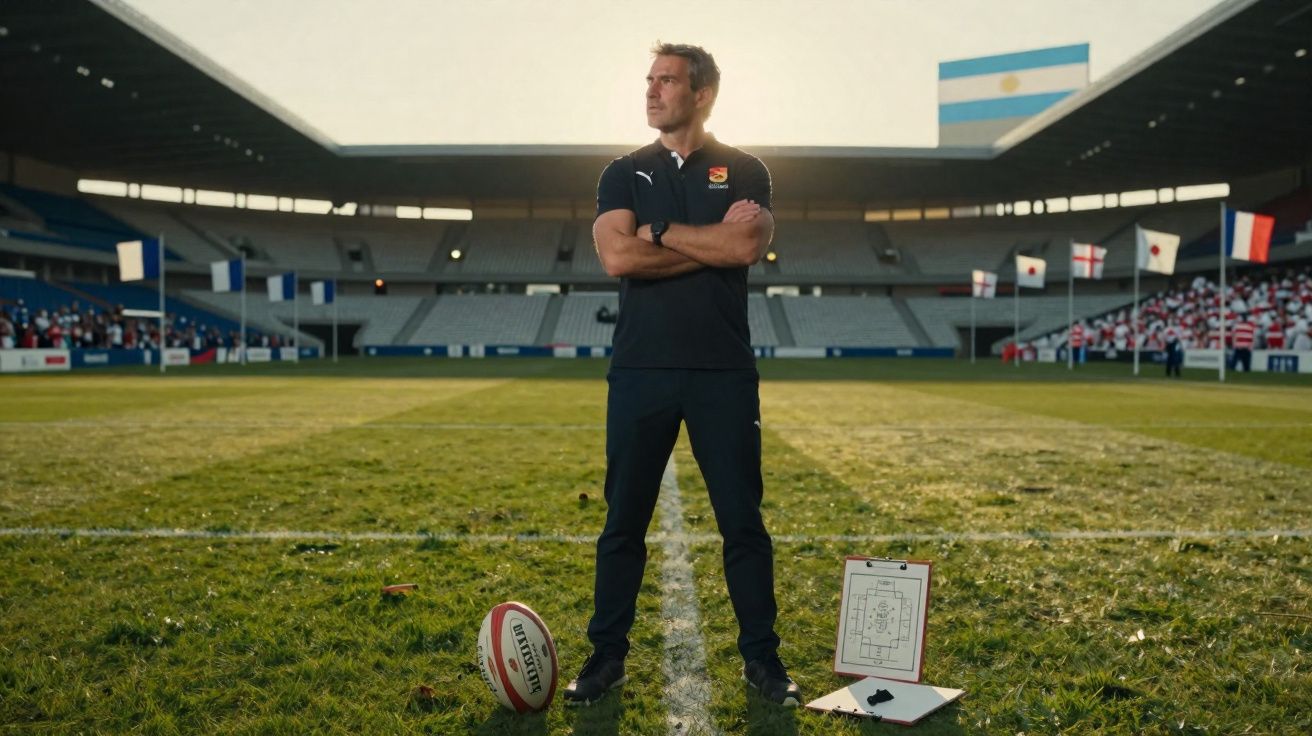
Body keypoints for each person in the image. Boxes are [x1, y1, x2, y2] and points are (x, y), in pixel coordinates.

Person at [565, 42, 799, 708]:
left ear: (701, 94)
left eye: (666, 81)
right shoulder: (622, 172)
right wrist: (702, 243)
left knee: (742, 524)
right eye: (649, 79)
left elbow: (746, 245)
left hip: (722, 371)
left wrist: (660, 232)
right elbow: (617, 258)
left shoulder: (747, 169)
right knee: (622, 524)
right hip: (639, 368)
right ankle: (606, 655)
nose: (651, 90)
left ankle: (763, 661)